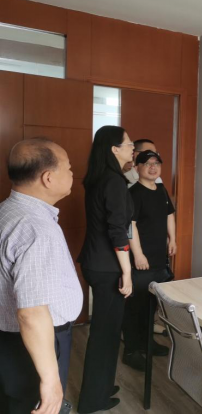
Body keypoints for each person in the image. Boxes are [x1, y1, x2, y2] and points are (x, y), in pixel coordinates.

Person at [0, 139, 83, 414]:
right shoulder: (35, 227)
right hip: (33, 341)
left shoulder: (8, 210)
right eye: (68, 167)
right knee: (34, 404)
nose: (72, 173)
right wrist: (50, 380)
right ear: (48, 178)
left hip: (12, 338)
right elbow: (32, 312)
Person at [77, 126, 134, 414]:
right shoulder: (113, 181)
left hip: (94, 262)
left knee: (107, 330)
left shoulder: (100, 177)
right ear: (114, 149)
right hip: (108, 266)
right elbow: (117, 230)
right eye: (128, 144)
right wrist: (127, 272)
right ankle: (93, 400)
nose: (132, 147)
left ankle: (102, 386)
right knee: (105, 333)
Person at [121, 150, 176, 371]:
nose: (153, 167)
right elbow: (129, 226)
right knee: (136, 306)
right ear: (137, 168)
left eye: (156, 163)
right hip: (142, 260)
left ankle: (147, 343)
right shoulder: (133, 193)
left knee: (151, 304)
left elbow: (169, 215)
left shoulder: (161, 189)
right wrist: (138, 254)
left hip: (159, 257)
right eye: (147, 164)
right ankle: (131, 351)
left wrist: (173, 239)